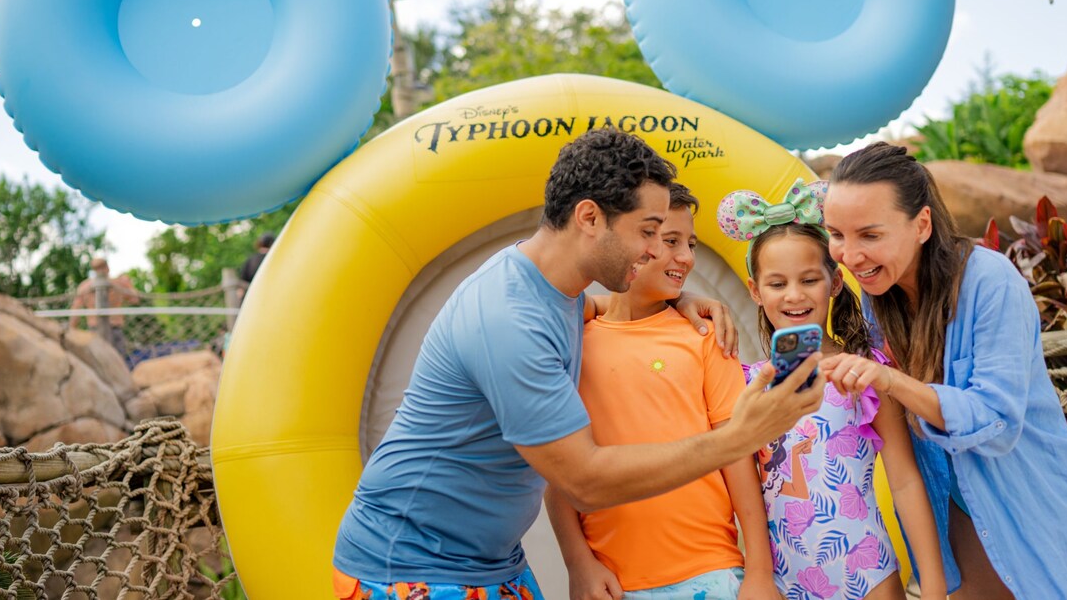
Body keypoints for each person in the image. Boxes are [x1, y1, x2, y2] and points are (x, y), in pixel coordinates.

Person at [332, 128, 825, 600]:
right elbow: (585, 481)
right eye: (648, 232)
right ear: (590, 218)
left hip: (492, 562)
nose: (657, 250)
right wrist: (739, 437)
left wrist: (678, 299)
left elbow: (599, 308)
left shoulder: (556, 287)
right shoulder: (509, 320)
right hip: (411, 567)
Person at [817, 143, 1067, 600]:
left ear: (922, 224)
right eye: (837, 234)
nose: (849, 255)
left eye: (869, 235)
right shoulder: (875, 297)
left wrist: (891, 380)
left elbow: (995, 420)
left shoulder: (990, 280)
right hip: (958, 515)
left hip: (1037, 503)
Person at [545, 182, 778, 600]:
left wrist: (759, 572)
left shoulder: (706, 335)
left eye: (690, 243)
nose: (687, 258)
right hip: (612, 583)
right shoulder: (572, 338)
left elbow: (739, 458)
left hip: (710, 574)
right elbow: (558, 471)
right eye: (670, 241)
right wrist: (578, 563)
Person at [717, 181, 946, 600]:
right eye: (777, 283)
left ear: (835, 283)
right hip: (782, 583)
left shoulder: (866, 373)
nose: (794, 295)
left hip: (869, 574)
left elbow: (905, 481)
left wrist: (933, 587)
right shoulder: (743, 384)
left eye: (809, 280)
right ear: (755, 291)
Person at [68, 256, 139, 359]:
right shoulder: (118, 283)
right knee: (118, 363)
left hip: (96, 331)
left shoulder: (84, 286)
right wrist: (128, 285)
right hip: (112, 329)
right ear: (107, 267)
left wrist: (71, 331)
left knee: (99, 364)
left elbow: (75, 312)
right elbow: (134, 299)